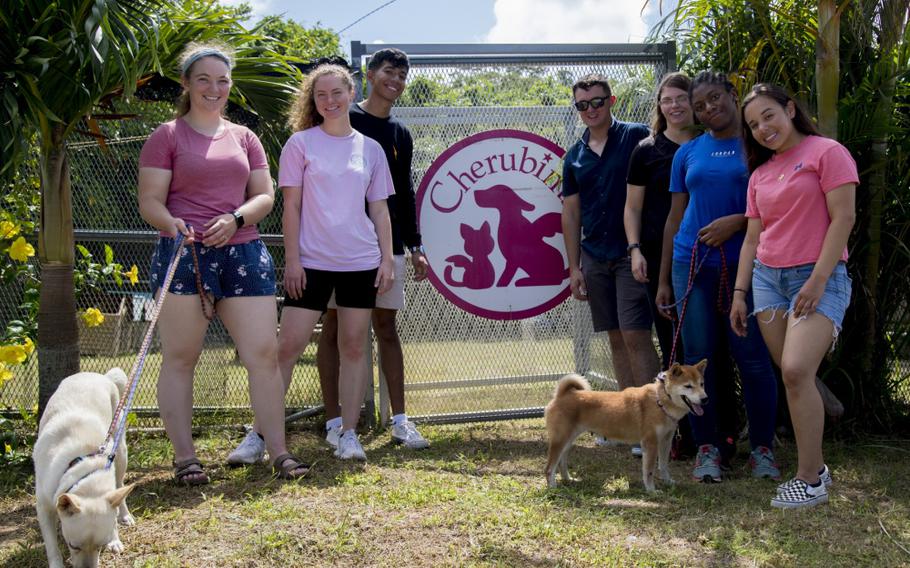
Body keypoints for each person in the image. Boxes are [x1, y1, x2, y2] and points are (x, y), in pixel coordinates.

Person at [138, 43, 308, 484]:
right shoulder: (167, 136)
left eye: (222, 80)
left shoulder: (245, 137)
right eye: (204, 79)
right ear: (187, 84)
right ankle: (185, 460)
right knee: (181, 357)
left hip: (243, 251)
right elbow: (150, 202)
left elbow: (264, 196)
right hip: (183, 251)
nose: (214, 88)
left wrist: (236, 219)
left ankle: (279, 451)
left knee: (264, 355)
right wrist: (173, 223)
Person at [731, 83, 857, 508]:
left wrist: (818, 281)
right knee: (792, 374)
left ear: (789, 108)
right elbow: (752, 239)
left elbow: (843, 217)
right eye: (753, 124)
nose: (763, 128)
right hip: (768, 280)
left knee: (797, 370)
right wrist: (739, 294)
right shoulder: (760, 174)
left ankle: (810, 479)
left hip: (818, 277)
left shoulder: (827, 152)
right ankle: (816, 470)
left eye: (768, 115)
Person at [657, 71, 779, 483]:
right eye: (700, 106)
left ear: (732, 95)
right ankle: (708, 448)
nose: (709, 109)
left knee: (754, 361)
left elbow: (779, 209)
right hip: (690, 265)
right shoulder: (687, 152)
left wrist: (737, 223)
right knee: (697, 361)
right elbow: (675, 218)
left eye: (715, 99)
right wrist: (663, 282)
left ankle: (762, 450)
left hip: (748, 269)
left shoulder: (759, 145)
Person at [274, 63, 394, 462]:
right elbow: (289, 207)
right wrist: (293, 261)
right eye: (321, 95)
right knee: (287, 347)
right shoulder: (300, 144)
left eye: (336, 93)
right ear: (314, 100)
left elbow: (379, 210)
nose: (329, 101)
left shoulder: (371, 149)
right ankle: (262, 433)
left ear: (350, 92)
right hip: (310, 263)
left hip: (360, 261)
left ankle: (348, 434)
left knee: (354, 346)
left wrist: (386, 260)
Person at [316, 48, 430, 450]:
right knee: (333, 329)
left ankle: (400, 421)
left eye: (401, 74)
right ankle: (334, 422)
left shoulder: (400, 134)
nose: (395, 80)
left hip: (387, 249)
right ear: (368, 73)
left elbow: (404, 193)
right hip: (338, 248)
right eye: (388, 71)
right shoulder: (343, 119)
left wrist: (414, 246)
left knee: (386, 327)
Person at [561, 74, 661, 433]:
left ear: (611, 101)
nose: (591, 110)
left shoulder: (636, 137)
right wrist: (574, 267)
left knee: (636, 335)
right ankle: (631, 422)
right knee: (616, 338)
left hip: (632, 253)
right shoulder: (574, 155)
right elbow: (571, 214)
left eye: (597, 102)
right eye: (582, 105)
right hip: (595, 256)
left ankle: (656, 421)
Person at [624, 71, 694, 369]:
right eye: (667, 100)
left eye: (681, 98)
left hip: (707, 251)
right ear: (659, 106)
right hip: (658, 256)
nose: (674, 106)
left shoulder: (710, 145)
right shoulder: (645, 151)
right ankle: (679, 416)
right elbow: (632, 208)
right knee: (672, 340)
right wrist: (635, 249)